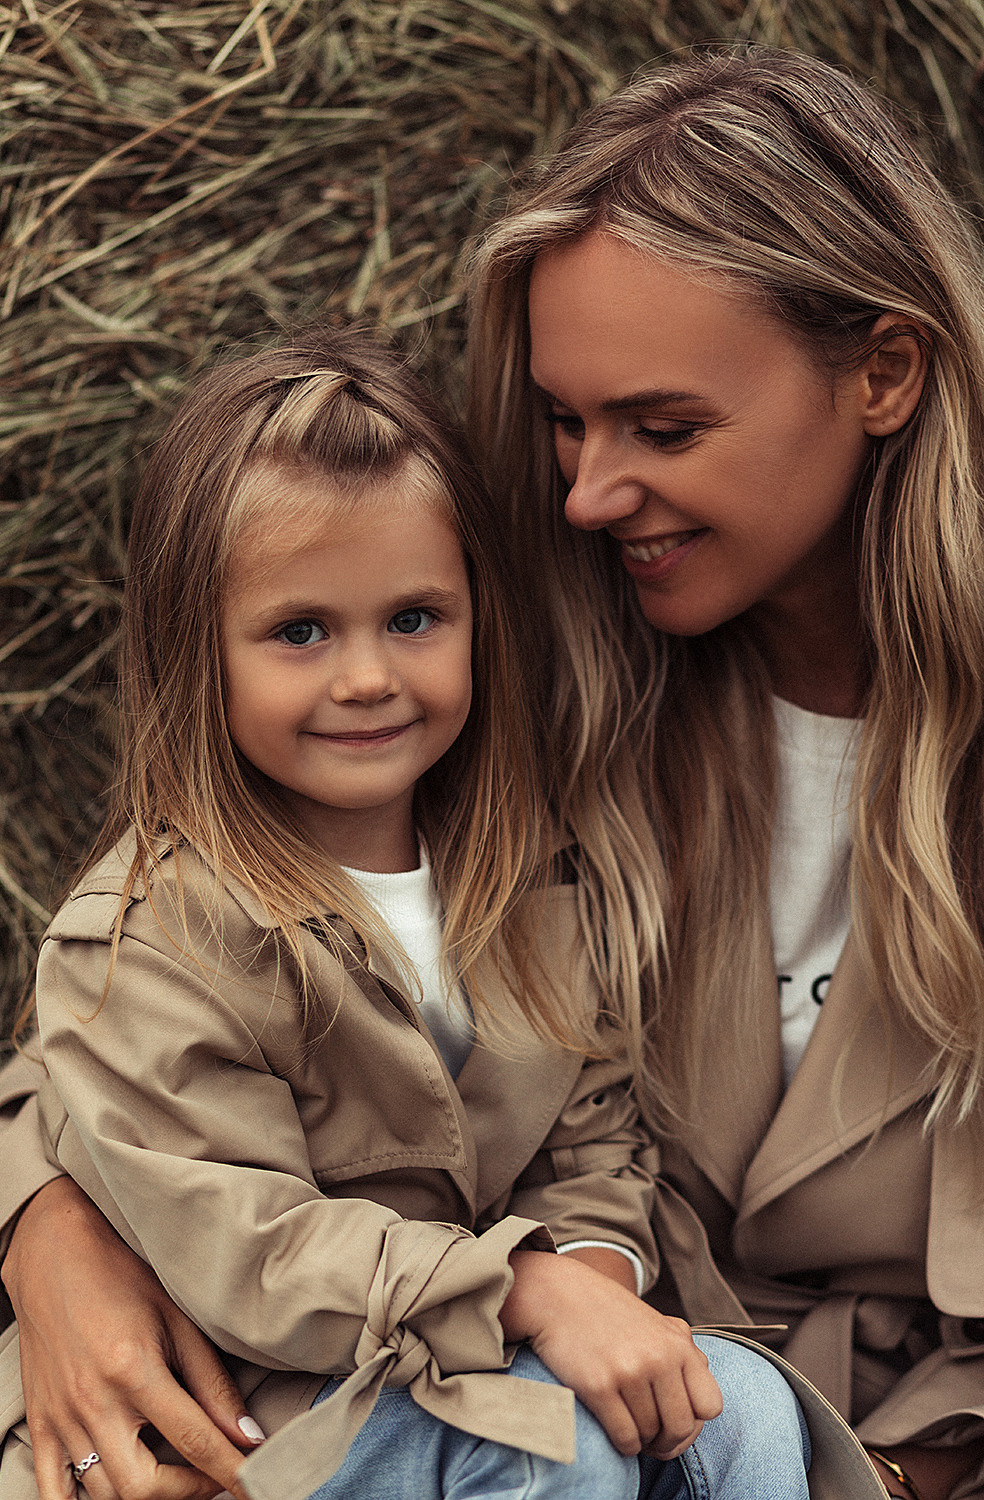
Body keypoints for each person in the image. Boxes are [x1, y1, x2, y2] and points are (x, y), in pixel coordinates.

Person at [0, 327, 813, 1500]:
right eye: (300, 632)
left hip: (465, 1359)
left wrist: (594, 1281)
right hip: (271, 1402)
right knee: (553, 1445)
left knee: (746, 1415)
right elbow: (251, 1247)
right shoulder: (152, 940)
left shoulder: (531, 876)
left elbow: (591, 1136)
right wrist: (521, 1289)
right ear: (194, 654)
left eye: (414, 619)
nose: (368, 676)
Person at [461, 43, 984, 1500]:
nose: (585, 493)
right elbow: (168, 975)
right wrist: (54, 1235)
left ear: (885, 371)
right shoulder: (511, 678)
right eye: (566, 419)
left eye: (664, 427)